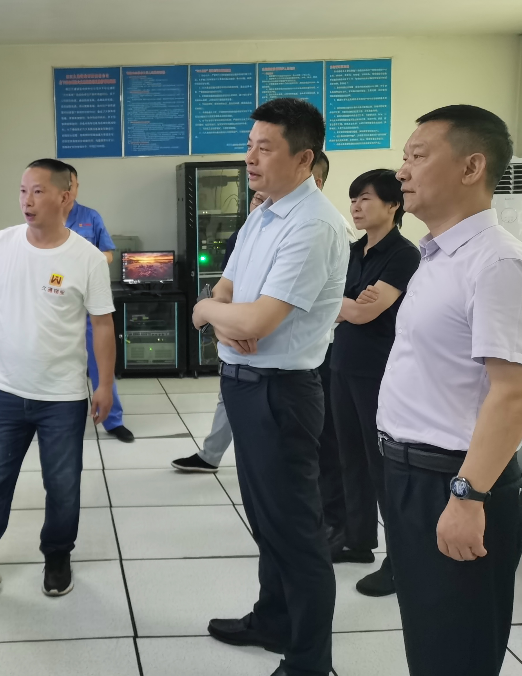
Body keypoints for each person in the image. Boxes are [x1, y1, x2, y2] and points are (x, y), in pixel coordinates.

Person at [377, 105, 522, 676]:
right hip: (409, 474)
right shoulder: (437, 257)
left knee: (458, 650)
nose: (402, 171)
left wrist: (467, 496)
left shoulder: (499, 264)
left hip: (455, 481)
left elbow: (514, 393)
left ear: (472, 167)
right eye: (404, 157)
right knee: (430, 638)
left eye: (417, 155)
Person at [192, 98, 349, 676]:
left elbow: (254, 319)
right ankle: (273, 619)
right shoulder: (264, 213)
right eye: (249, 145)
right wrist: (223, 317)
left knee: (296, 531)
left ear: (304, 158)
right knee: (266, 519)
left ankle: (309, 661)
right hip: (244, 384)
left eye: (264, 148)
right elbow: (228, 288)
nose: (250, 158)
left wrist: (206, 313)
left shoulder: (314, 225)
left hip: (281, 392)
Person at [0, 159, 117, 610]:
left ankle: (57, 556)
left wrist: (105, 385)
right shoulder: (1, 243)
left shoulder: (88, 258)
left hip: (62, 397)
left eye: (37, 191)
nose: (27, 201)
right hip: (6, 392)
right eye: (22, 191)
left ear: (65, 196)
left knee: (63, 485)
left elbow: (103, 326)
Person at [330, 170, 420, 598]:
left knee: (382, 464)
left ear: (393, 205)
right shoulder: (351, 251)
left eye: (364, 198)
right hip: (342, 362)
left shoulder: (404, 255)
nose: (355, 206)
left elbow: (365, 312)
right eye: (353, 199)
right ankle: (357, 539)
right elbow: (331, 302)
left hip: (379, 370)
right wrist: (347, 303)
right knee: (349, 456)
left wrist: (343, 304)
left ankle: (401, 562)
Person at [171, 188, 268, 473]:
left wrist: (212, 314)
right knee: (229, 395)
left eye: (266, 200)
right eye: (256, 199)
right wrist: (222, 328)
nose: (260, 205)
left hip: (272, 341)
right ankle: (211, 455)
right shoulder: (242, 236)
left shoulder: (307, 231)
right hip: (237, 333)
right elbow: (225, 287)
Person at [63, 164, 134, 443]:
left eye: (72, 184)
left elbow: (108, 255)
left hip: (90, 302)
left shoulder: (90, 217)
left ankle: (113, 420)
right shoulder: (46, 218)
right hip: (58, 305)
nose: (68, 190)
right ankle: (57, 419)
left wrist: (83, 260)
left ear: (76, 187)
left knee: (100, 362)